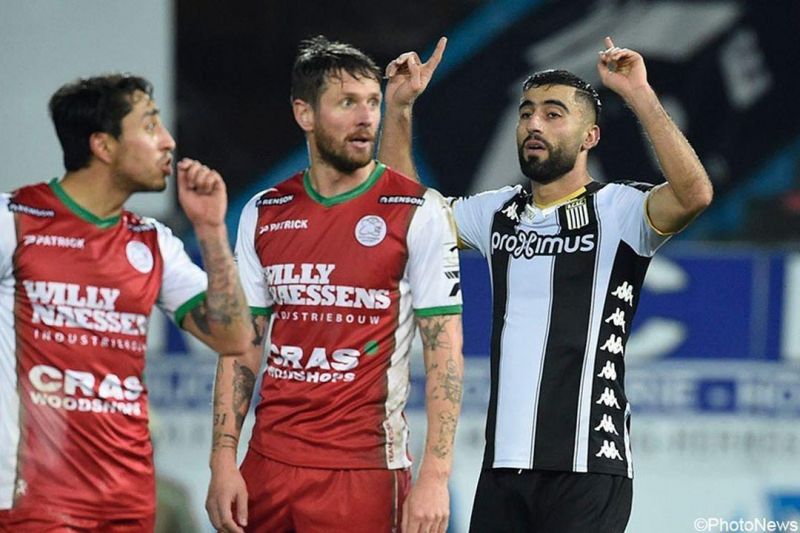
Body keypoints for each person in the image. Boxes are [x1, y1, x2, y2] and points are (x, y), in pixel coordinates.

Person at [380, 37, 714, 532]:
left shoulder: (620, 210)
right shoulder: (497, 211)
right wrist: (399, 109)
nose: (534, 124)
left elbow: (694, 194)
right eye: (526, 113)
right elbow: (408, 218)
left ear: (590, 136)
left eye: (554, 114)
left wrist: (639, 94)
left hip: (588, 466)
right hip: (502, 469)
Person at [205, 36, 463, 533]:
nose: (366, 117)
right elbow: (241, 347)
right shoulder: (263, 211)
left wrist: (435, 475)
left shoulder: (419, 210)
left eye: (373, 102)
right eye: (347, 103)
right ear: (304, 113)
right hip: (266, 466)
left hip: (364, 473)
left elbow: (444, 350)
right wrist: (222, 460)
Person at [0, 74, 250, 531]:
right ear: (103, 145)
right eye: (150, 126)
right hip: (32, 499)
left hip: (127, 499)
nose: (168, 141)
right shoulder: (13, 221)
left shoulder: (152, 242)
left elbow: (234, 337)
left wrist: (212, 230)